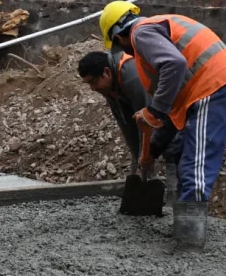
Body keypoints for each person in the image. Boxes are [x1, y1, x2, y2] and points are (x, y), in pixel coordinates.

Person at [98, 1, 226, 247]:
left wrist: (153, 110)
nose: (127, 53)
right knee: (181, 151)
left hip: (213, 86)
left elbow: (174, 65)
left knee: (195, 163)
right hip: (214, 85)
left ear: (119, 36)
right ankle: (186, 229)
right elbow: (171, 112)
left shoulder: (141, 33)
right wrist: (153, 149)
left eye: (119, 46)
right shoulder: (155, 33)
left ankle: (188, 241)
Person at [77, 51, 181, 197]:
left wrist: (147, 155)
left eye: (93, 82)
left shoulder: (132, 76)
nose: (92, 88)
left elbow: (149, 120)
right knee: (144, 158)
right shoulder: (109, 87)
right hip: (156, 111)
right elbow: (128, 125)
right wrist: (137, 161)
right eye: (88, 84)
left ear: (106, 72)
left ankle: (177, 200)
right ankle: (152, 195)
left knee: (173, 149)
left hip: (176, 109)